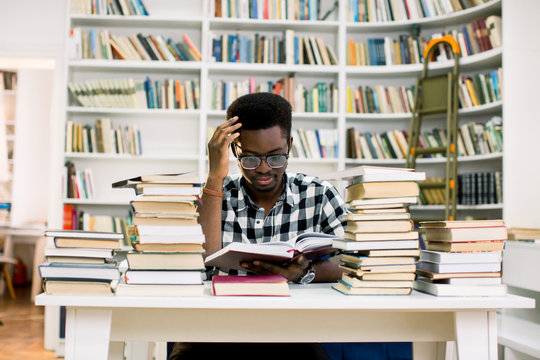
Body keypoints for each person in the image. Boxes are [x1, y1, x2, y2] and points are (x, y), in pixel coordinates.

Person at [168, 92, 347, 359]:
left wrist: (302, 272)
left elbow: (358, 264)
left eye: (276, 157)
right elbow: (202, 259)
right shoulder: (214, 194)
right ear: (233, 151)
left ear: (290, 145)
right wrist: (215, 176)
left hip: (290, 334)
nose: (263, 169)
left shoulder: (319, 195)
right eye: (249, 159)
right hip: (213, 332)